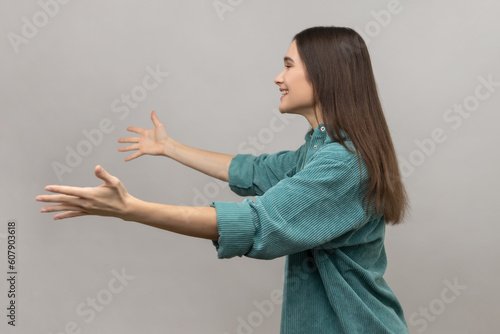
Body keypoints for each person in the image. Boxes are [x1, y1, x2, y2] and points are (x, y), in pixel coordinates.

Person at [36, 26, 410, 333]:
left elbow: (256, 225)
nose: (278, 77)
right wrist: (169, 147)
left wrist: (131, 209)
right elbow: (254, 171)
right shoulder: (319, 151)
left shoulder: (344, 165)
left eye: (288, 65)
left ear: (324, 73)